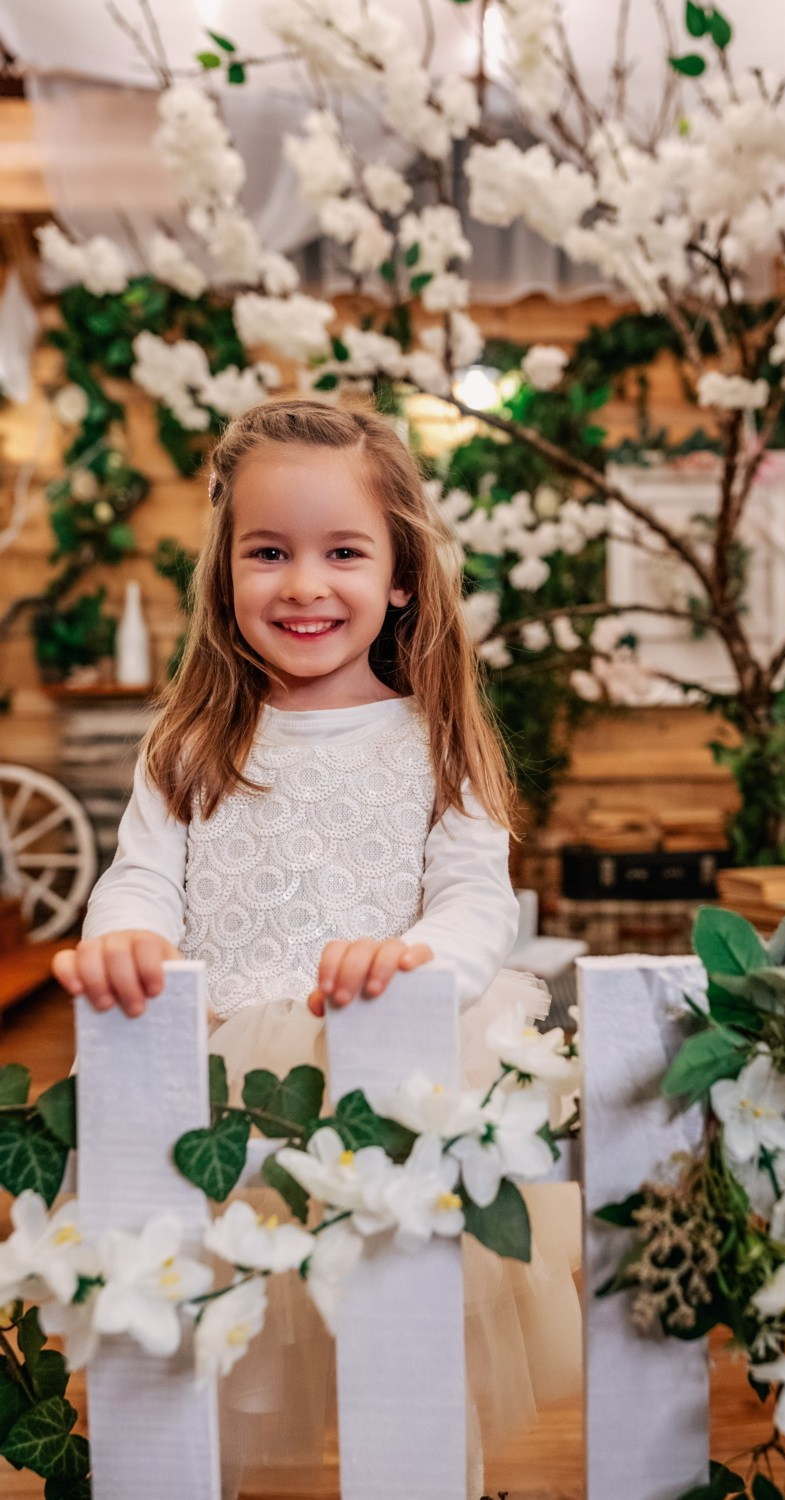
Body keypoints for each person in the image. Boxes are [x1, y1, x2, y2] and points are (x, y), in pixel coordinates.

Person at [53, 399, 581, 1497]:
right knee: (219, 1347)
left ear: (401, 577)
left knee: (414, 1335)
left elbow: (474, 901)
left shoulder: (439, 741)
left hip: (391, 1074)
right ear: (224, 574)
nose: (303, 585)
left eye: (342, 552)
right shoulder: (189, 744)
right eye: (268, 553)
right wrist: (127, 940)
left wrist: (416, 965)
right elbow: (141, 878)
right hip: (217, 1080)